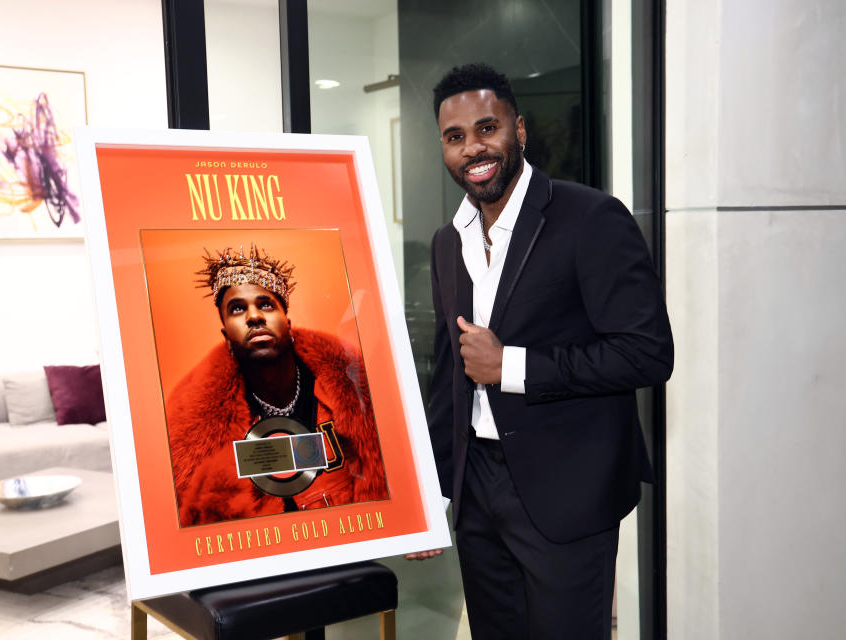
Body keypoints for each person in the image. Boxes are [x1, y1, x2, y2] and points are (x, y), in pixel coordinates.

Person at [406, 63, 673, 639]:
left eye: (486, 128)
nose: (473, 148)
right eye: (455, 138)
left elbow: (648, 353)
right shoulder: (448, 242)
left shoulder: (591, 218)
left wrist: (512, 367)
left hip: (567, 491)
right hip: (477, 489)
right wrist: (430, 492)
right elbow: (449, 376)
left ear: (518, 131)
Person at [166, 245, 389, 526]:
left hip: (344, 547)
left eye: (266, 304)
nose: (254, 316)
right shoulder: (194, 426)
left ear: (288, 321)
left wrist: (415, 524)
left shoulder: (351, 389)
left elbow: (390, 481)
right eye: (237, 309)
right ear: (226, 335)